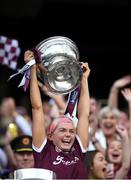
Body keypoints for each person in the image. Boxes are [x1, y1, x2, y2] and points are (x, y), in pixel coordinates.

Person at [24, 50, 90, 179]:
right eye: (62, 130)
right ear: (50, 135)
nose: (68, 135)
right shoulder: (43, 151)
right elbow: (37, 108)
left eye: (72, 131)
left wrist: (84, 80)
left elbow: (84, 115)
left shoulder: (78, 148)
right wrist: (32, 68)